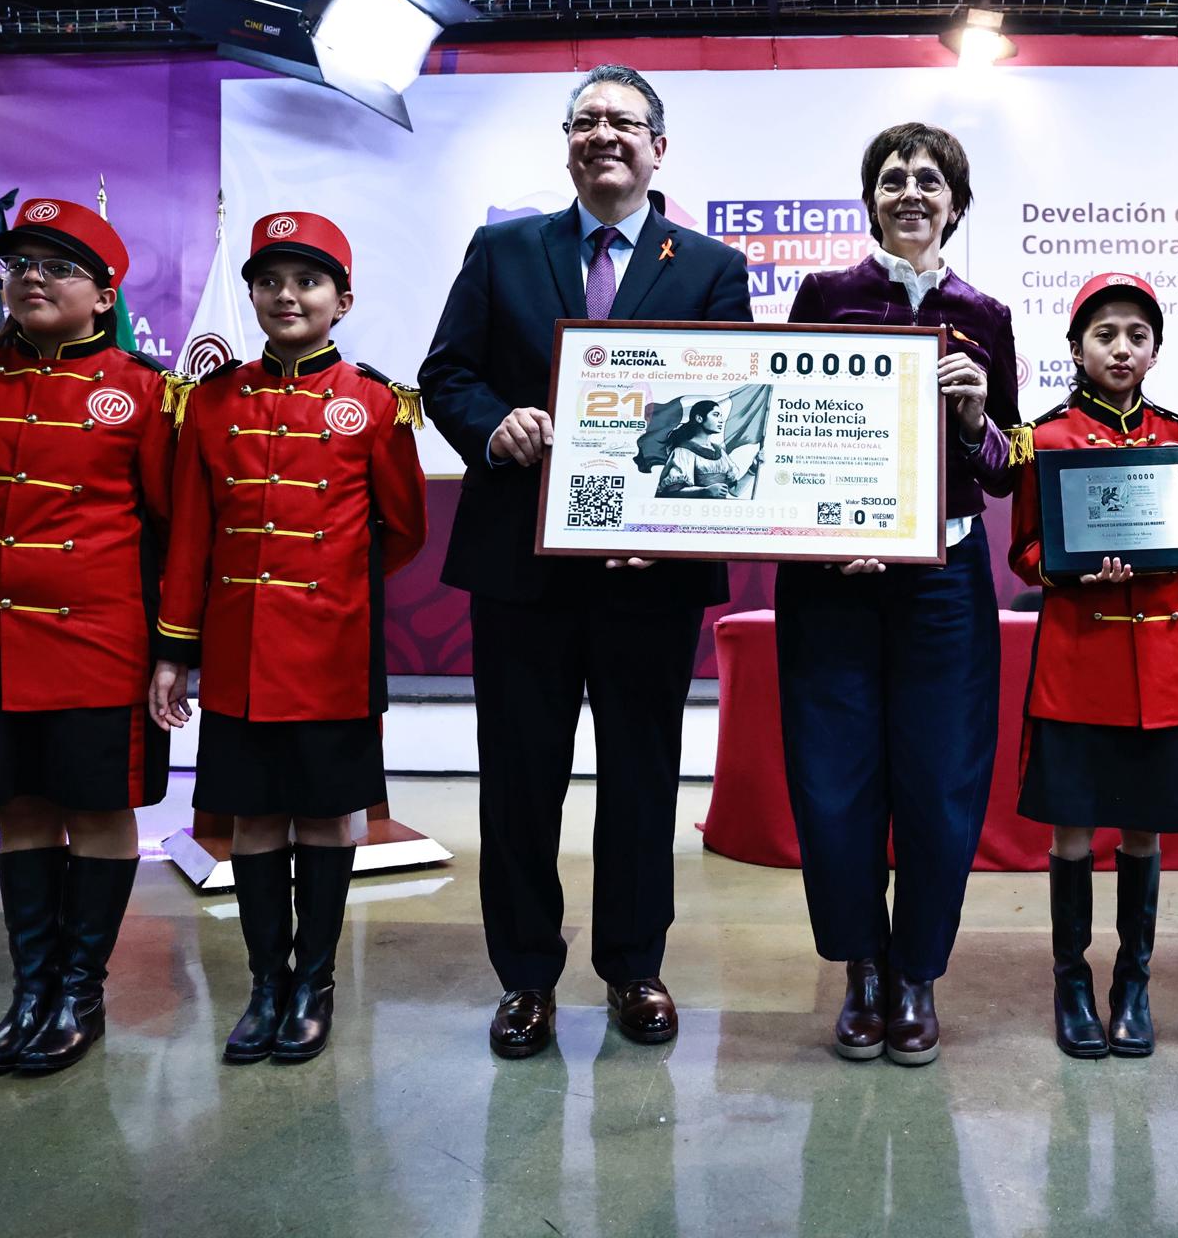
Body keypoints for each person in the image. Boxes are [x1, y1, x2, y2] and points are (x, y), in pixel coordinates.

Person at [419, 64, 752, 1059]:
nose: (605, 134)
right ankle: (525, 977)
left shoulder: (708, 265)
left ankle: (633, 968)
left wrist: (679, 508)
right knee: (520, 781)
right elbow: (447, 374)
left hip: (650, 570)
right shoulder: (502, 249)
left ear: (659, 147)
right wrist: (494, 425)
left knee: (643, 778)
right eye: (587, 120)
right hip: (522, 569)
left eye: (625, 122)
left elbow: (733, 403)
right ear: (568, 142)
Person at [0, 197, 178, 1073]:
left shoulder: (142, 392)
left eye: (57, 267)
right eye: (19, 264)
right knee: (17, 813)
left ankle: (79, 994)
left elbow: (172, 532)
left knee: (97, 815)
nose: (30, 278)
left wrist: (174, 650)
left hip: (98, 645)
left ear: (104, 295)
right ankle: (30, 992)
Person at [149, 212, 427, 1064]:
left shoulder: (376, 402)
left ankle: (315, 984)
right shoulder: (212, 402)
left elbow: (404, 528)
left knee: (327, 819)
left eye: (306, 282)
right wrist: (176, 649)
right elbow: (189, 535)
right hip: (236, 652)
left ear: (342, 300)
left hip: (333, 651)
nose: (285, 296)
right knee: (257, 822)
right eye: (269, 281)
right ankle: (266, 983)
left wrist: (330, 590)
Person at [777, 122, 1020, 1065]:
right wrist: (838, 531)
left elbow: (1000, 470)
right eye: (892, 179)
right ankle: (860, 968)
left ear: (956, 203)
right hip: (832, 579)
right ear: (869, 198)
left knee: (940, 781)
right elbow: (789, 433)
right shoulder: (824, 295)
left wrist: (971, 417)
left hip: (945, 580)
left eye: (929, 179)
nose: (911, 191)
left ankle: (917, 971)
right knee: (835, 781)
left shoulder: (987, 314)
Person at [1009, 272, 1178, 1059]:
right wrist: (1067, 568)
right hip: (1079, 660)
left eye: (1136, 335)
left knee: (1141, 833)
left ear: (1156, 348)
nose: (1121, 348)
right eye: (1104, 335)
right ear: (1075, 348)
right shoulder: (1048, 438)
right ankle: (1071, 984)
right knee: (1071, 833)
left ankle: (1134, 982)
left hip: (1161, 667)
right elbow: (1024, 553)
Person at [655, 399, 759, 499]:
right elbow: (671, 492)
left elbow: (735, 491)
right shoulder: (683, 452)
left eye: (721, 416)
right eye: (715, 415)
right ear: (699, 418)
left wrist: (753, 468)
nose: (721, 420)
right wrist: (705, 491)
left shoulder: (720, 452)